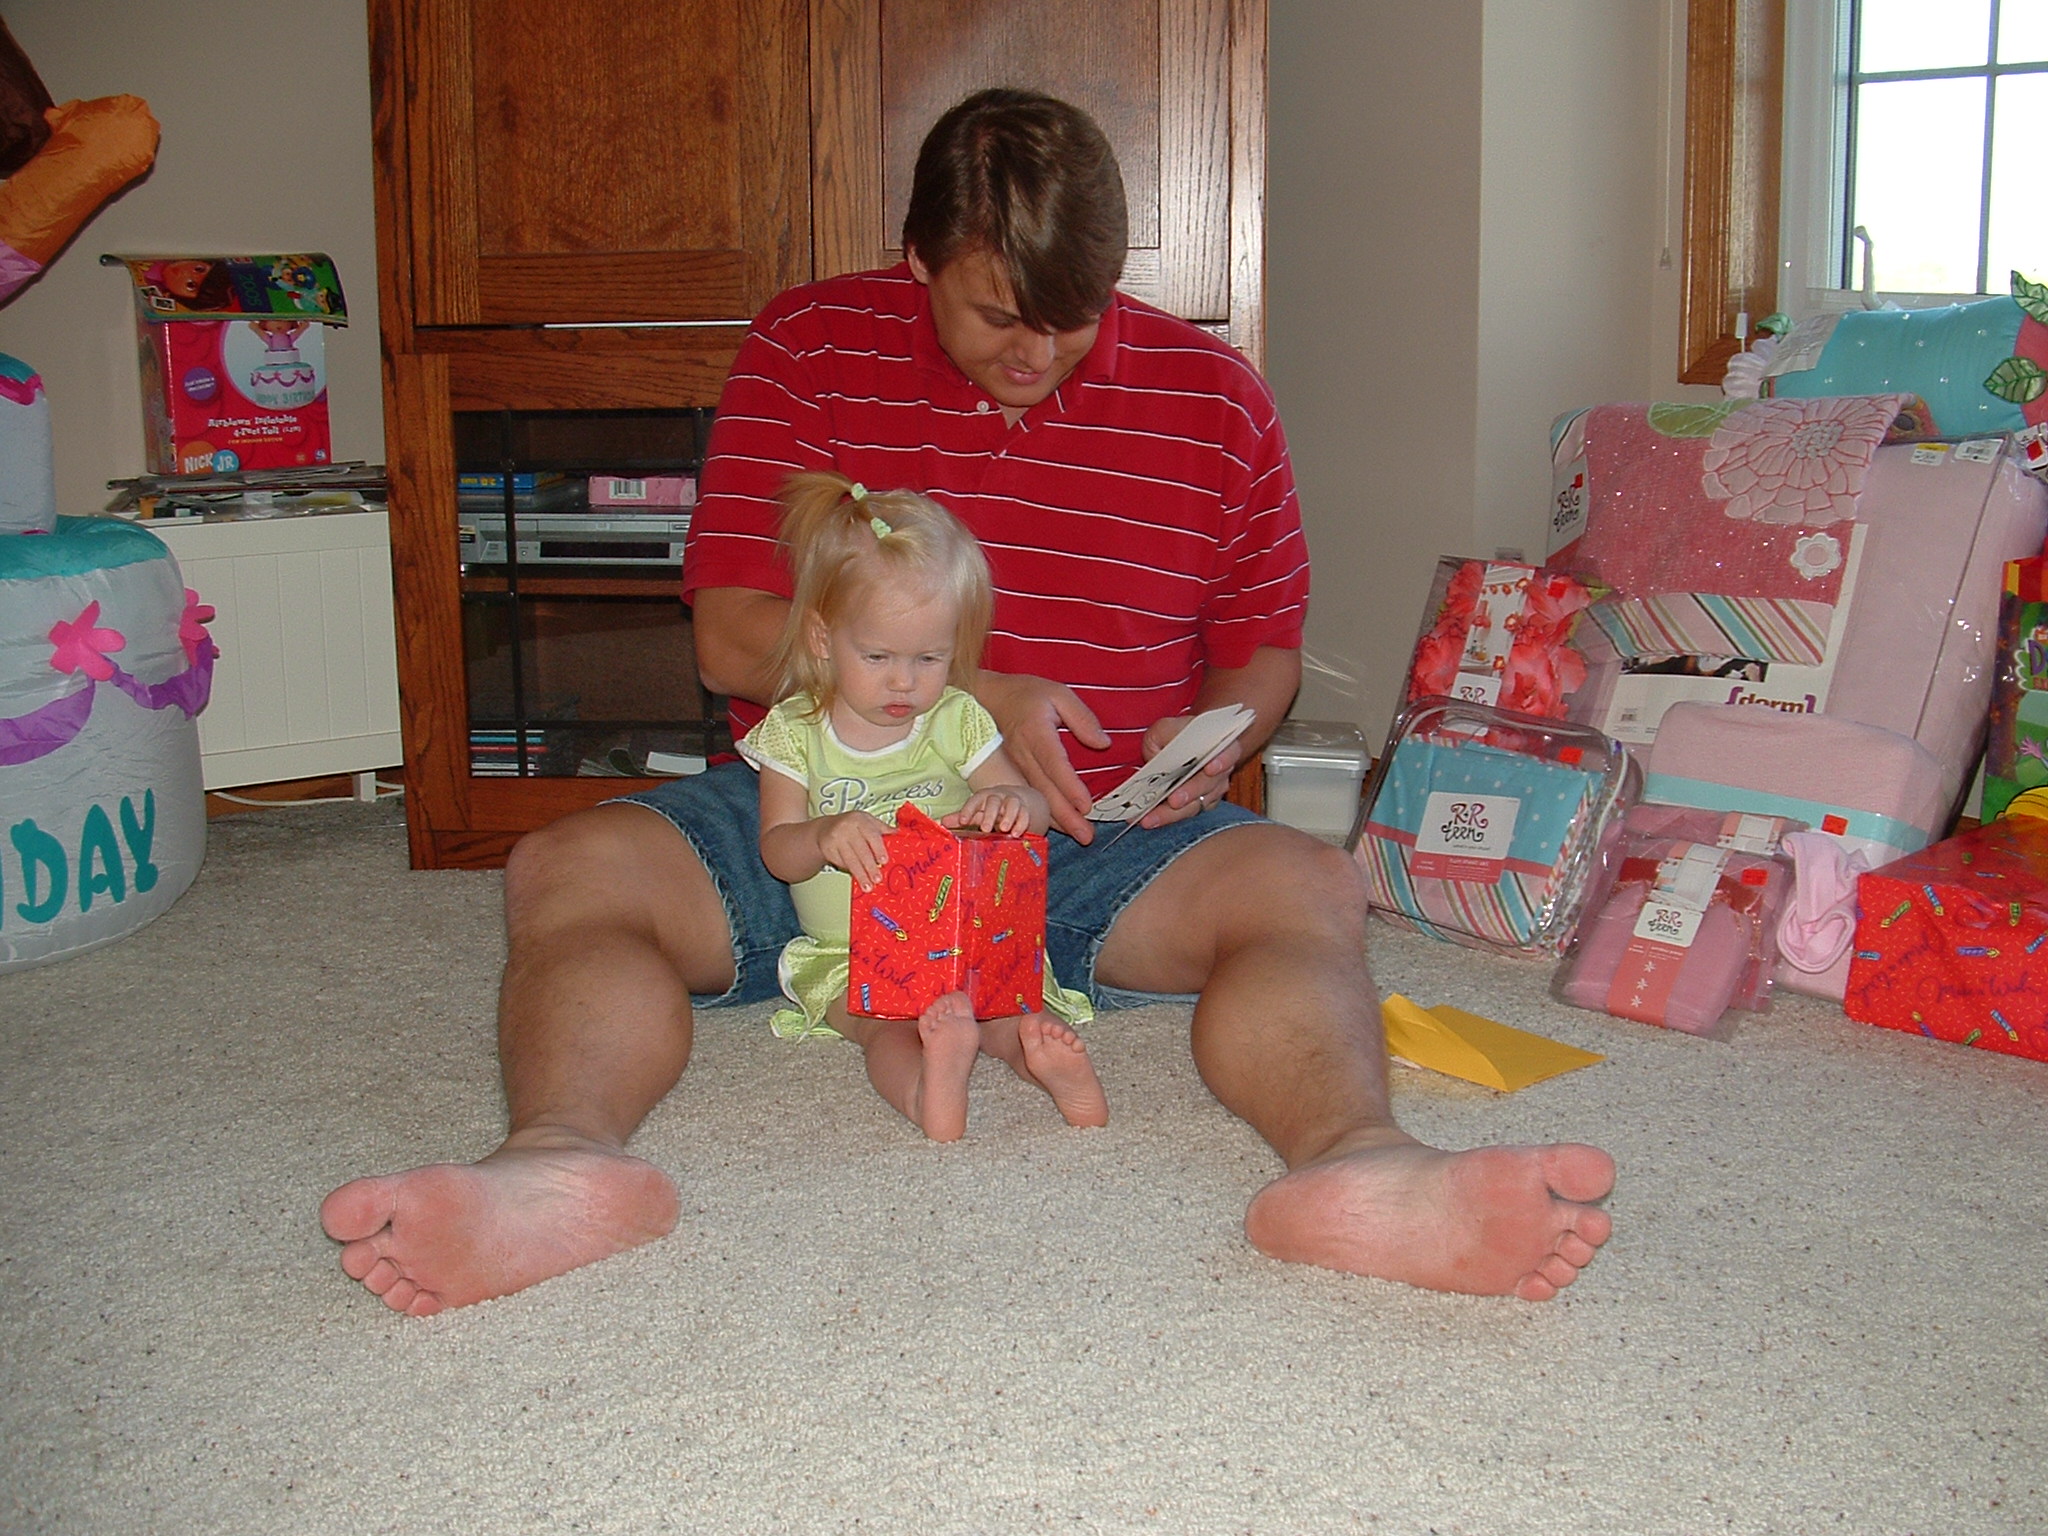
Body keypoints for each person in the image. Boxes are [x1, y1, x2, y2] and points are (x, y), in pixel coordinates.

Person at [320, 87, 1616, 1317]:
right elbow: (728, 637)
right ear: (917, 257)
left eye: (1076, 314)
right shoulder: (810, 345)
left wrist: (1211, 737)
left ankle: (1362, 1166)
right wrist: (980, 696)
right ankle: (557, 1167)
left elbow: (1262, 650)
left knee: (1309, 888)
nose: (1037, 351)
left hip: (1087, 844)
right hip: (825, 809)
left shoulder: (1219, 405)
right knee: (568, 868)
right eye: (998, 313)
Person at [739, 469, 1106, 1141]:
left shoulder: (956, 718)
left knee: (1004, 1017)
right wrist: (822, 834)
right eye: (877, 655)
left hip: (969, 943)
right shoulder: (794, 730)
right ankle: (926, 1088)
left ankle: (1049, 1069)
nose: (904, 681)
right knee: (884, 1033)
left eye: (930, 658)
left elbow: (1039, 811)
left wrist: (1012, 799)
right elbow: (777, 852)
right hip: (852, 952)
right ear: (823, 639)